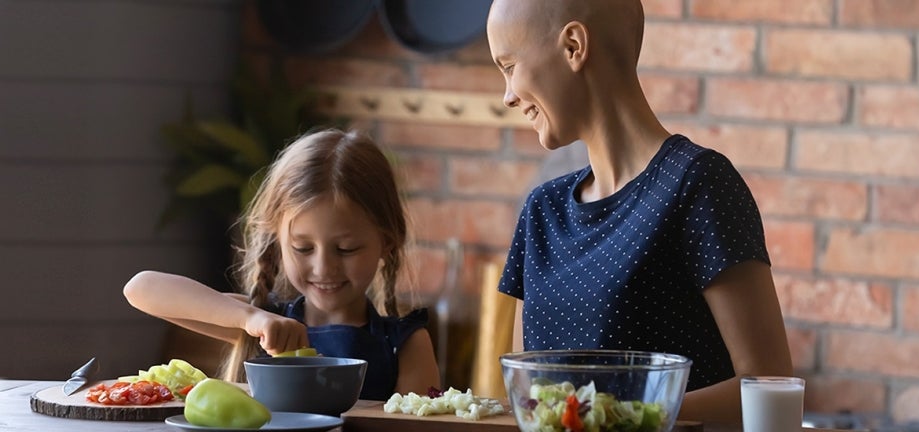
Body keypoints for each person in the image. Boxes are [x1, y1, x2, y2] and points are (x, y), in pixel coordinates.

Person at [486, 0, 793, 423]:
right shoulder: (542, 211)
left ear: (574, 46)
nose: (507, 96)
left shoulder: (698, 183)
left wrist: (617, 417)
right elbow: (531, 401)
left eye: (509, 66)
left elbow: (770, 383)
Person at [123, 129, 440, 401]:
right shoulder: (263, 324)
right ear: (278, 241)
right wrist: (250, 317)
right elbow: (140, 288)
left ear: (387, 242)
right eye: (303, 248)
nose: (323, 267)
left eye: (346, 249)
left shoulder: (406, 345)